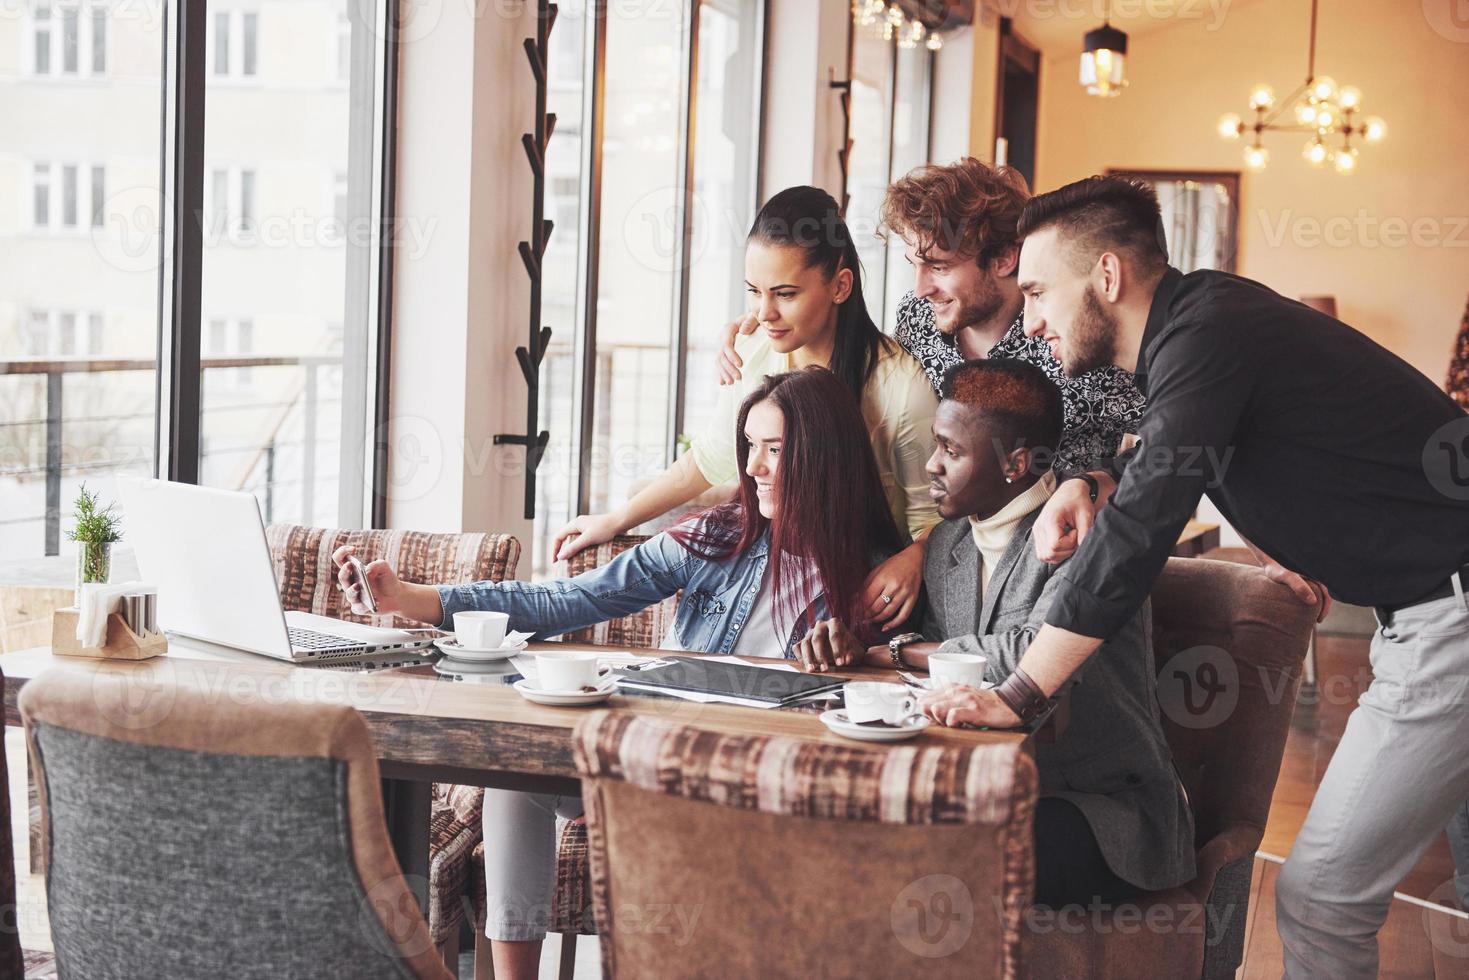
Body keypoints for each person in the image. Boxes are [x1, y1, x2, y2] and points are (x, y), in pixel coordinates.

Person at [918, 174, 1469, 977]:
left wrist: (1017, 696)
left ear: (1105, 277)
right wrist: (1089, 478)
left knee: (1320, 899)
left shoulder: (1207, 336)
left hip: (1447, 622)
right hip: (1426, 614)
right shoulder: (1203, 327)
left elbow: (1140, 531)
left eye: (1037, 291)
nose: (1028, 320)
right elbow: (1223, 454)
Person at [332, 368, 906, 979]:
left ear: (823, 456)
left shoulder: (875, 575)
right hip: (643, 762)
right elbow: (564, 602)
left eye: (775, 449)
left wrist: (860, 654)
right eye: (750, 447)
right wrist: (413, 599)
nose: (755, 466)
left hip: (749, 794)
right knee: (511, 774)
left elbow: (896, 686)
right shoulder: (718, 537)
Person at [792, 359, 1194, 907]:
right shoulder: (949, 546)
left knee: (938, 866)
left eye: (951, 451)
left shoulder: (1087, 536)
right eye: (936, 444)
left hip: (1100, 807)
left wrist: (897, 653)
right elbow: (930, 678)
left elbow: (1025, 655)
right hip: (982, 787)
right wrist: (850, 643)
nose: (931, 465)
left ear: (1016, 463)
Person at [553, 185, 940, 633]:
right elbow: (706, 460)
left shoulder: (902, 389)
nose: (764, 311)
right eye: (754, 291)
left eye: (785, 293)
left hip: (859, 598)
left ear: (840, 285)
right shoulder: (754, 351)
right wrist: (616, 519)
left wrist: (914, 560)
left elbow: (934, 518)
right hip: (768, 577)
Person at [719, 158, 1146, 475]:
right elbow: (864, 378)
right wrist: (761, 329)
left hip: (1054, 565)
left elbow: (1176, 440)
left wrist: (1095, 484)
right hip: (939, 558)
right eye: (914, 265)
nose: (922, 287)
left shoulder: (1076, 333)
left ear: (1003, 258)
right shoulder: (918, 319)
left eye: (939, 267)